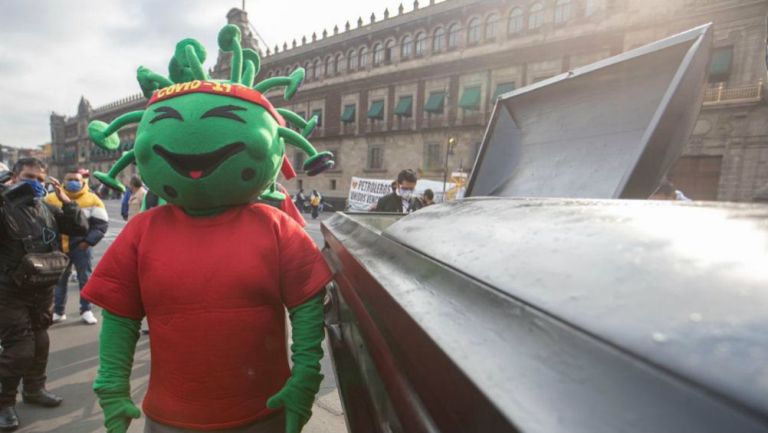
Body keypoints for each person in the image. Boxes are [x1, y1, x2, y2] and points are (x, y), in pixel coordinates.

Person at [0, 158, 88, 430]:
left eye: (40, 179)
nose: (35, 183)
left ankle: (35, 389)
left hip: (42, 288)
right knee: (20, 348)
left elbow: (80, 228)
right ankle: (4, 402)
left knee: (40, 342)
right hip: (9, 291)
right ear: (14, 177)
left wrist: (67, 201)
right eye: (29, 177)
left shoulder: (47, 208)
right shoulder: (4, 207)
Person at [46, 169, 109, 325]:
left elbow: (101, 225)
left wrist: (87, 241)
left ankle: (86, 310)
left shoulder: (93, 199)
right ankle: (59, 311)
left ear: (83, 182)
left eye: (76, 179)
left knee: (85, 278)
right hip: (59, 246)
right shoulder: (51, 198)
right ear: (63, 181)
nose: (73, 182)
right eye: (69, 179)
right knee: (60, 280)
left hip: (81, 245)